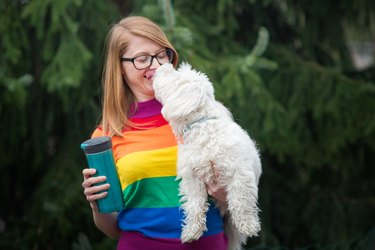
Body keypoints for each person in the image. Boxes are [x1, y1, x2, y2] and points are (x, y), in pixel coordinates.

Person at [81, 15, 228, 250]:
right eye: (142, 59)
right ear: (119, 66)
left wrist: (224, 194)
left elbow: (237, 195)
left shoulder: (198, 112)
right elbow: (113, 228)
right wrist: (96, 206)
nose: (156, 65)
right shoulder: (105, 137)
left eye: (162, 55)